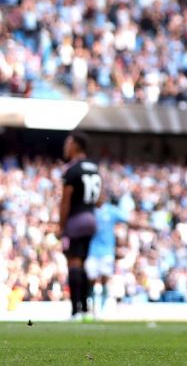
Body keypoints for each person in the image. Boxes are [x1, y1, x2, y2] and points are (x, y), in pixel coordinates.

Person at [60, 132, 102, 320]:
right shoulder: (94, 168)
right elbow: (100, 200)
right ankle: (86, 309)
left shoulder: (71, 170)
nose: (65, 147)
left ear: (76, 145)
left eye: (68, 143)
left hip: (76, 220)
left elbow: (65, 202)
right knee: (84, 264)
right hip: (91, 219)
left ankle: (75, 311)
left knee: (74, 264)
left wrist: (62, 226)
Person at [86, 200, 128, 318]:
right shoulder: (90, 210)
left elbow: (126, 219)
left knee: (105, 279)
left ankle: (102, 309)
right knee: (91, 280)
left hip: (107, 251)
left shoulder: (111, 210)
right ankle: (92, 307)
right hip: (92, 250)